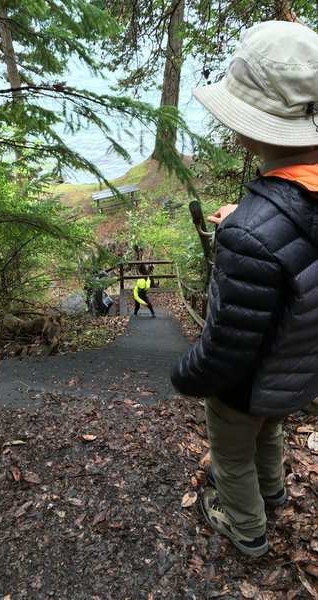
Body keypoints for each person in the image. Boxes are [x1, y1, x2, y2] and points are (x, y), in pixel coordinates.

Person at [170, 20, 318, 559]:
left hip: (245, 382)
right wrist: (261, 223)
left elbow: (226, 349)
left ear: (249, 128)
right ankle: (275, 493)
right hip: (297, 369)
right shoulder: (279, 216)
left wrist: (185, 374)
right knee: (269, 431)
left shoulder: (250, 233)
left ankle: (247, 529)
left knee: (230, 454)